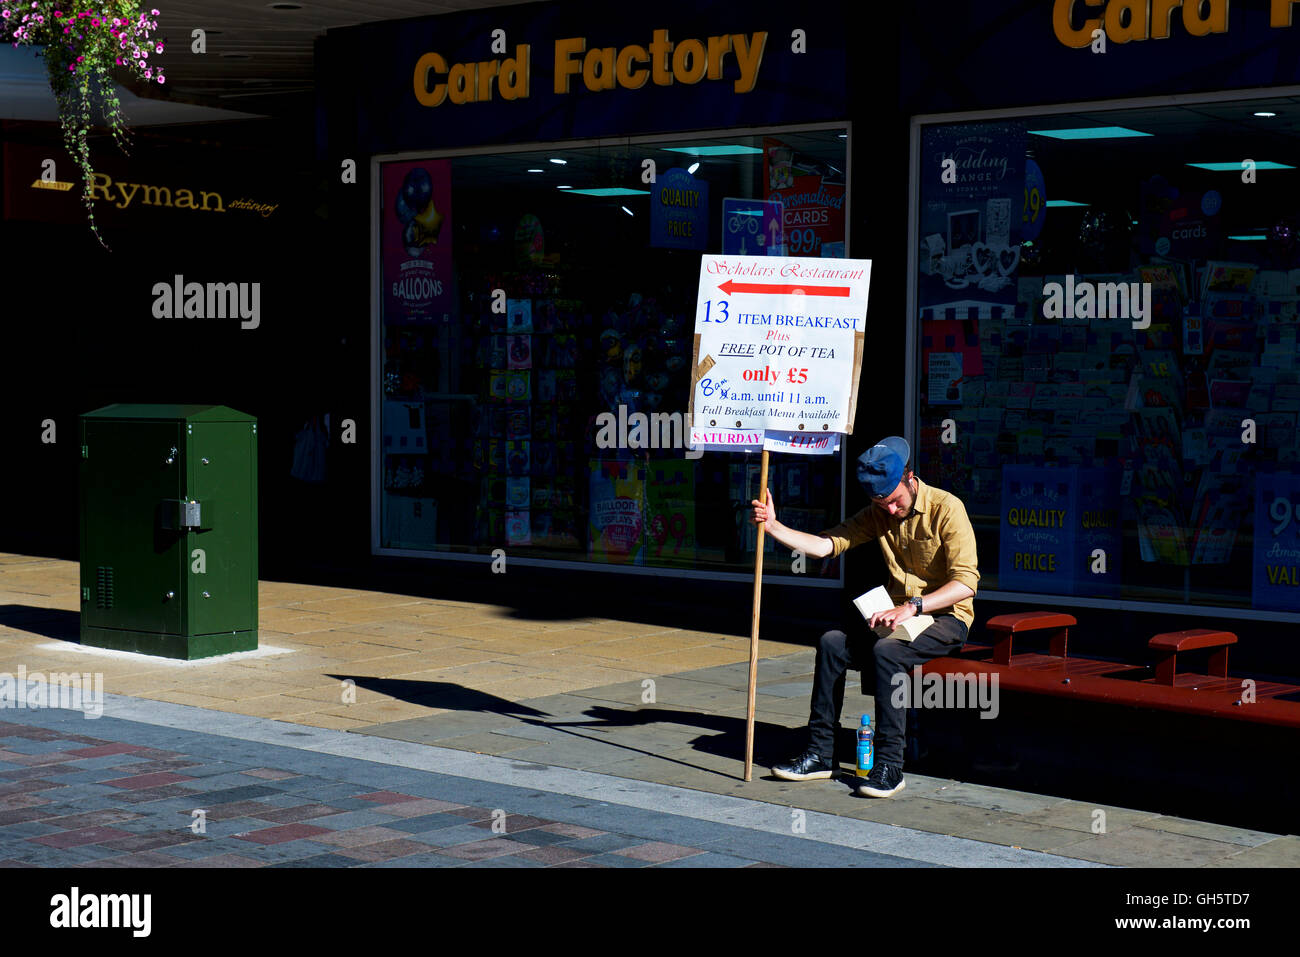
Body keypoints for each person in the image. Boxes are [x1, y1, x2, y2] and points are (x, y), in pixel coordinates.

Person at [750, 435, 979, 797]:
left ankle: (890, 765)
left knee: (887, 653)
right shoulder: (877, 512)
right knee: (832, 643)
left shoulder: (948, 508)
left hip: (945, 618)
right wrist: (774, 527)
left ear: (910, 477)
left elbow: (966, 584)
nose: (889, 511)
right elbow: (828, 545)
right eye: (880, 503)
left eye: (894, 501)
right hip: (898, 617)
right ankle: (820, 753)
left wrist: (913, 606)